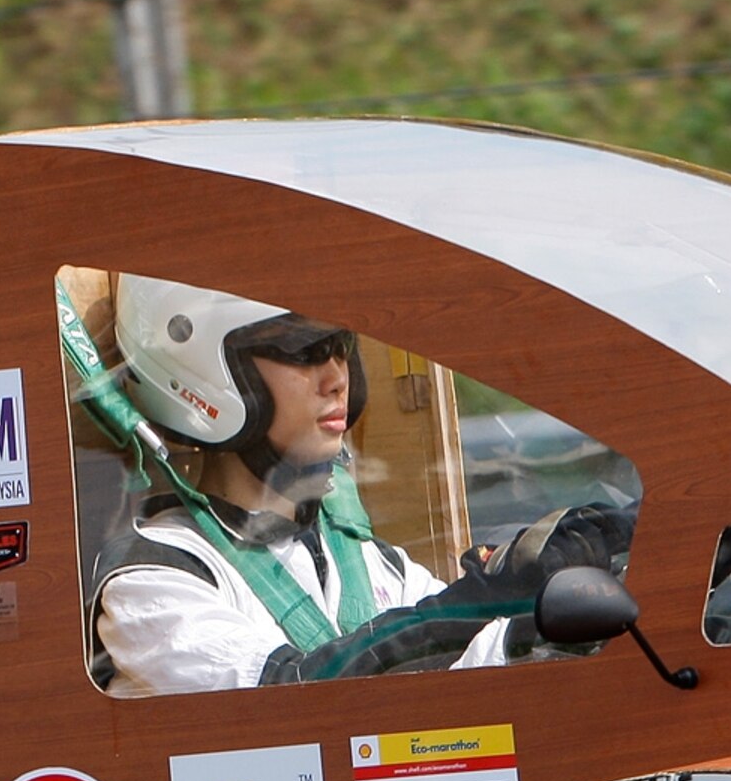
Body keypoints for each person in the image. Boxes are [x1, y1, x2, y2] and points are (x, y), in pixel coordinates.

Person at [83, 274, 626, 696]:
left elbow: (462, 666)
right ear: (202, 368)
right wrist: (481, 600)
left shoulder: (369, 563)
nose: (336, 376)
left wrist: (548, 597)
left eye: (341, 345)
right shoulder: (153, 581)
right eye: (303, 350)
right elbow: (290, 696)